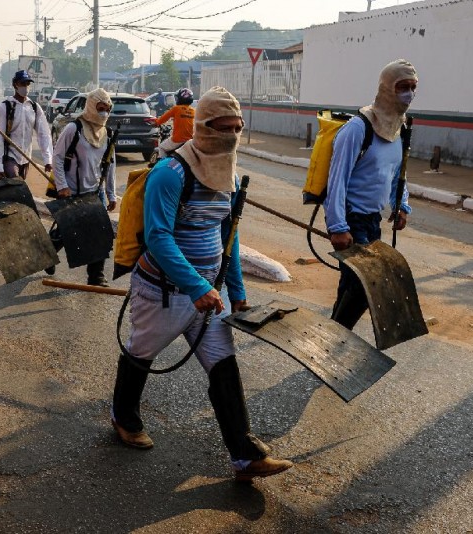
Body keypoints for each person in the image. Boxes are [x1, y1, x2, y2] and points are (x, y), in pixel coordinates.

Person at [110, 87, 294, 482]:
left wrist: (237, 290)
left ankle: (246, 454)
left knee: (223, 363)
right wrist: (196, 287)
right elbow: (158, 237)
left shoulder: (225, 167)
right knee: (142, 353)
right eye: (223, 128)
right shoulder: (170, 173)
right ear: (203, 126)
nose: (231, 136)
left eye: (237, 129)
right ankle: (123, 417)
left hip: (208, 294)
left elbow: (230, 234)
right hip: (163, 290)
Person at [325, 59, 417, 330]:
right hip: (351, 219)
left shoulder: (399, 129)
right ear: (387, 88)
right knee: (366, 286)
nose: (409, 94)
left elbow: (397, 173)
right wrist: (338, 226)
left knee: (350, 287)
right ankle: (335, 339)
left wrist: (401, 205)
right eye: (402, 87)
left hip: (372, 220)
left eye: (413, 87)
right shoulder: (357, 128)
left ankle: (333, 337)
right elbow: (337, 180)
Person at [51, 88, 117, 286]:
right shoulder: (74, 128)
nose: (104, 113)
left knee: (100, 234)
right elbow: (58, 157)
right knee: (66, 231)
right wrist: (62, 185)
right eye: (100, 108)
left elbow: (110, 164)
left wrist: (111, 194)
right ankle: (48, 255)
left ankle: (96, 276)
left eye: (107, 108)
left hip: (95, 191)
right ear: (91, 106)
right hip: (72, 189)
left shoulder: (108, 133)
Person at [0, 70, 52, 179]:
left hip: (26, 157)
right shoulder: (5, 107)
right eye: (22, 84)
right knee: (17, 183)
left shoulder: (34, 107)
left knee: (19, 190)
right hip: (10, 156)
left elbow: (44, 134)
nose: (26, 87)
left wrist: (47, 159)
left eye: (28, 84)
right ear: (15, 84)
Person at [153, 87, 195, 159]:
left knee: (161, 147)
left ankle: (164, 166)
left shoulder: (176, 108)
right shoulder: (194, 111)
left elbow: (162, 119)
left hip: (178, 139)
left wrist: (156, 122)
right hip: (190, 141)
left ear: (180, 99)